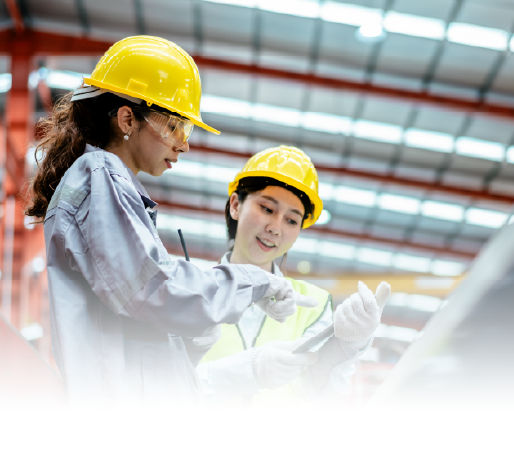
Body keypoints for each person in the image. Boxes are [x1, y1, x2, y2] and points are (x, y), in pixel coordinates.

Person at [24, 36, 318, 405]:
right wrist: (253, 282)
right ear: (127, 118)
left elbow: (136, 314)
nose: (183, 144)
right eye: (174, 126)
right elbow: (152, 287)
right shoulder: (99, 175)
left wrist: (186, 342)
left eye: (187, 130)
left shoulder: (109, 185)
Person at [196, 145, 391, 403]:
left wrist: (347, 345)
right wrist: (245, 371)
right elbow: (164, 382)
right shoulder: (191, 289)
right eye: (267, 209)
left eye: (291, 220)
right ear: (235, 205)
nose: (275, 228)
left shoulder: (314, 303)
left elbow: (317, 392)